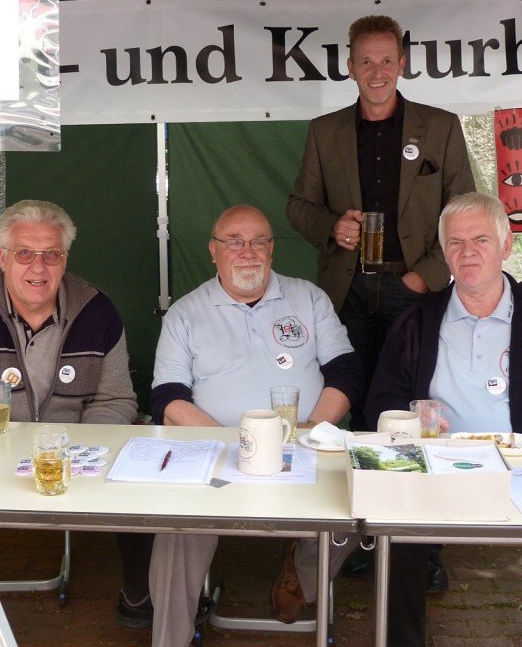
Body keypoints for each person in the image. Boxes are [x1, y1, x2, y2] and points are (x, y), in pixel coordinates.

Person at [364, 192, 522, 647]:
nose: (468, 252)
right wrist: (408, 419)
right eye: (456, 242)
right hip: (436, 477)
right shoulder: (415, 324)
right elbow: (379, 407)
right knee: (394, 542)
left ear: (506, 246)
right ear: (443, 252)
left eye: (481, 239)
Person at [287, 13, 474, 588]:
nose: (376, 71)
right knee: (358, 409)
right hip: (347, 289)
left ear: (403, 64)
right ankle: (365, 535)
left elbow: (464, 208)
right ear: (349, 66)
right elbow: (300, 206)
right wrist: (331, 229)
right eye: (365, 61)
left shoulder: (439, 127)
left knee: (417, 411)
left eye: (386, 60)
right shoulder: (325, 131)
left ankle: (425, 551)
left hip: (412, 288)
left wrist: (427, 275)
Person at [0, 199, 155, 629]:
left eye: (51, 254)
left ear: (64, 260)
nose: (38, 267)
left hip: (76, 453)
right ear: (2, 259)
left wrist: (80, 451)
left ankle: (138, 593)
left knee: (139, 480)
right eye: (25, 253)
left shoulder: (98, 311)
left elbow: (117, 400)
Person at [149, 204, 363, 647]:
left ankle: (302, 575)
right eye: (234, 242)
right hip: (215, 454)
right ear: (213, 251)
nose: (247, 252)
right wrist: (233, 444)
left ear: (272, 248)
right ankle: (169, 640)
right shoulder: (185, 314)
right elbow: (167, 400)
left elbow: (346, 373)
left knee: (354, 511)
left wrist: (311, 429)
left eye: (259, 241)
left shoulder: (309, 298)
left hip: (300, 447)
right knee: (174, 531)